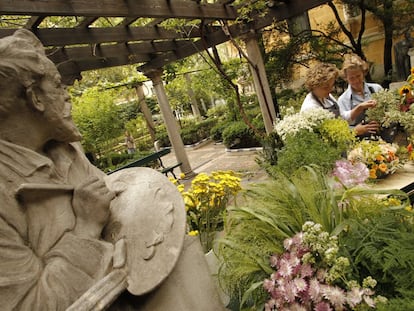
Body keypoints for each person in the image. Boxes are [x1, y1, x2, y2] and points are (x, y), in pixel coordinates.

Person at [0, 29, 225, 311]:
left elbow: (121, 215)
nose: (68, 96)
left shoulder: (66, 151)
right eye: (58, 85)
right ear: (35, 97)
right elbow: (31, 305)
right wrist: (85, 228)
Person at [337, 53, 382, 137]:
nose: (356, 80)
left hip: (382, 136)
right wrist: (355, 130)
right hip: (359, 143)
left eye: (358, 76)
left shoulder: (377, 89)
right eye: (351, 78)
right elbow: (342, 127)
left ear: (363, 72)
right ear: (346, 78)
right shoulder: (343, 100)